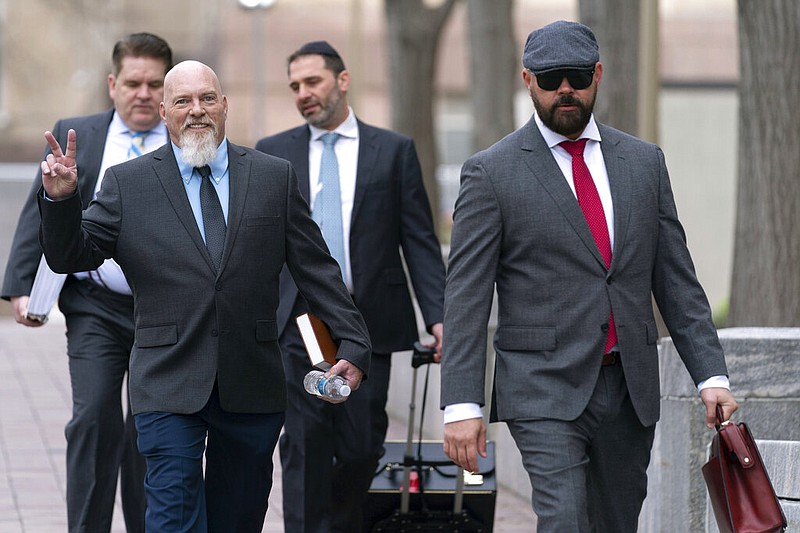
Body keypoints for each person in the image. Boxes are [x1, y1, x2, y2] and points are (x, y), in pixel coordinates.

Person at [36, 59, 372, 533]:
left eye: (207, 98)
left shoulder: (273, 177)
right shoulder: (126, 183)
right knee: (173, 516)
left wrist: (354, 345)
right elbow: (73, 254)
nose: (196, 110)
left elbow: (316, 270)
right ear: (163, 111)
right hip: (167, 379)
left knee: (238, 519)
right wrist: (61, 200)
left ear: (224, 106)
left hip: (251, 382)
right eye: (183, 101)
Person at [440, 20, 738, 533]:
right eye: (551, 78)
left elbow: (676, 281)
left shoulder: (644, 164)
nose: (565, 90)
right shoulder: (491, 173)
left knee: (615, 524)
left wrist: (711, 375)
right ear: (528, 79)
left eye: (576, 76)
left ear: (597, 74)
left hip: (629, 387)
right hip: (542, 386)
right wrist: (461, 405)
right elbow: (466, 296)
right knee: (565, 521)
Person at [256, 41, 446, 532]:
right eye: (295, 86)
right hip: (299, 323)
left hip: (369, 324)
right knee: (303, 445)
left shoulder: (394, 150)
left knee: (362, 448)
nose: (303, 94)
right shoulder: (273, 153)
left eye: (312, 81)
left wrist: (440, 315)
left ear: (342, 80)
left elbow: (420, 241)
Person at [1, 32, 173, 533]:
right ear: (113, 84)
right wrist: (21, 286)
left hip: (163, 309)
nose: (144, 93)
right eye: (134, 82)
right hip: (94, 303)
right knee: (94, 418)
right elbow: (44, 208)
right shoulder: (78, 134)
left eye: (155, 84)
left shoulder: (187, 139)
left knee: (152, 426)